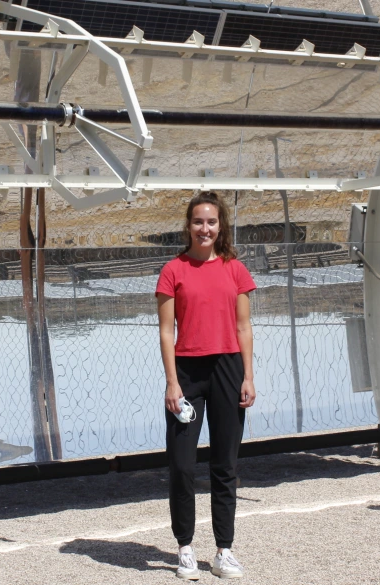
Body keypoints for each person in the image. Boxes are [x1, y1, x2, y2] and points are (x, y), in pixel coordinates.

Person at [155, 191, 257, 580]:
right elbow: (167, 332)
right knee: (182, 465)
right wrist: (171, 382)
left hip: (228, 371)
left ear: (221, 226)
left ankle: (223, 551)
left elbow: (244, 327)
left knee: (224, 465)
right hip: (188, 375)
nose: (205, 228)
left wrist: (247, 376)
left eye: (211, 222)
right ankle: (184, 547)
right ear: (188, 226)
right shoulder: (173, 271)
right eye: (198, 221)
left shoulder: (236, 270)